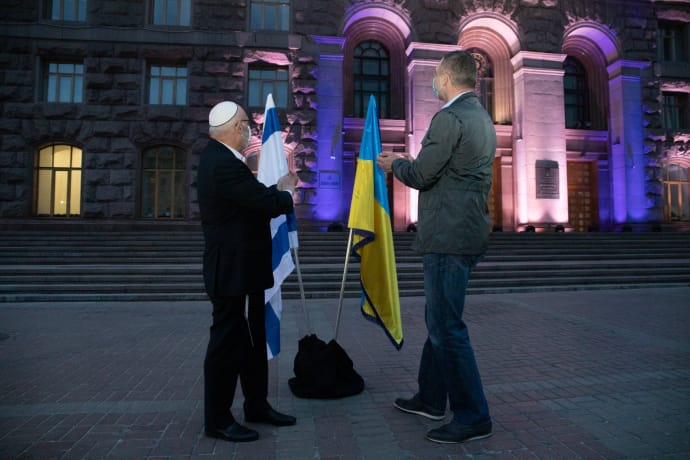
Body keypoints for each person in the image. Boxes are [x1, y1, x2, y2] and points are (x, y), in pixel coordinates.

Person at [377, 50, 496, 444]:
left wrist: (396, 164)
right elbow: (450, 171)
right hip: (466, 229)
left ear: (445, 78)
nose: (434, 83)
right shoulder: (481, 117)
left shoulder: (448, 117)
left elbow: (421, 176)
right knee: (440, 320)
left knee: (447, 327)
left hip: (447, 234)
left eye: (435, 77)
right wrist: (414, 163)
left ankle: (473, 416)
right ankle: (430, 398)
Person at [197, 100, 298, 442]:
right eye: (245, 125)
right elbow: (264, 203)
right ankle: (218, 420)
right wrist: (286, 193)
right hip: (232, 271)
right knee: (226, 344)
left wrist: (276, 191)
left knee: (253, 340)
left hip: (244, 269)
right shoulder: (223, 163)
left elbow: (250, 199)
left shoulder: (223, 160)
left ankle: (257, 405)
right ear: (236, 128)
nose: (249, 131)